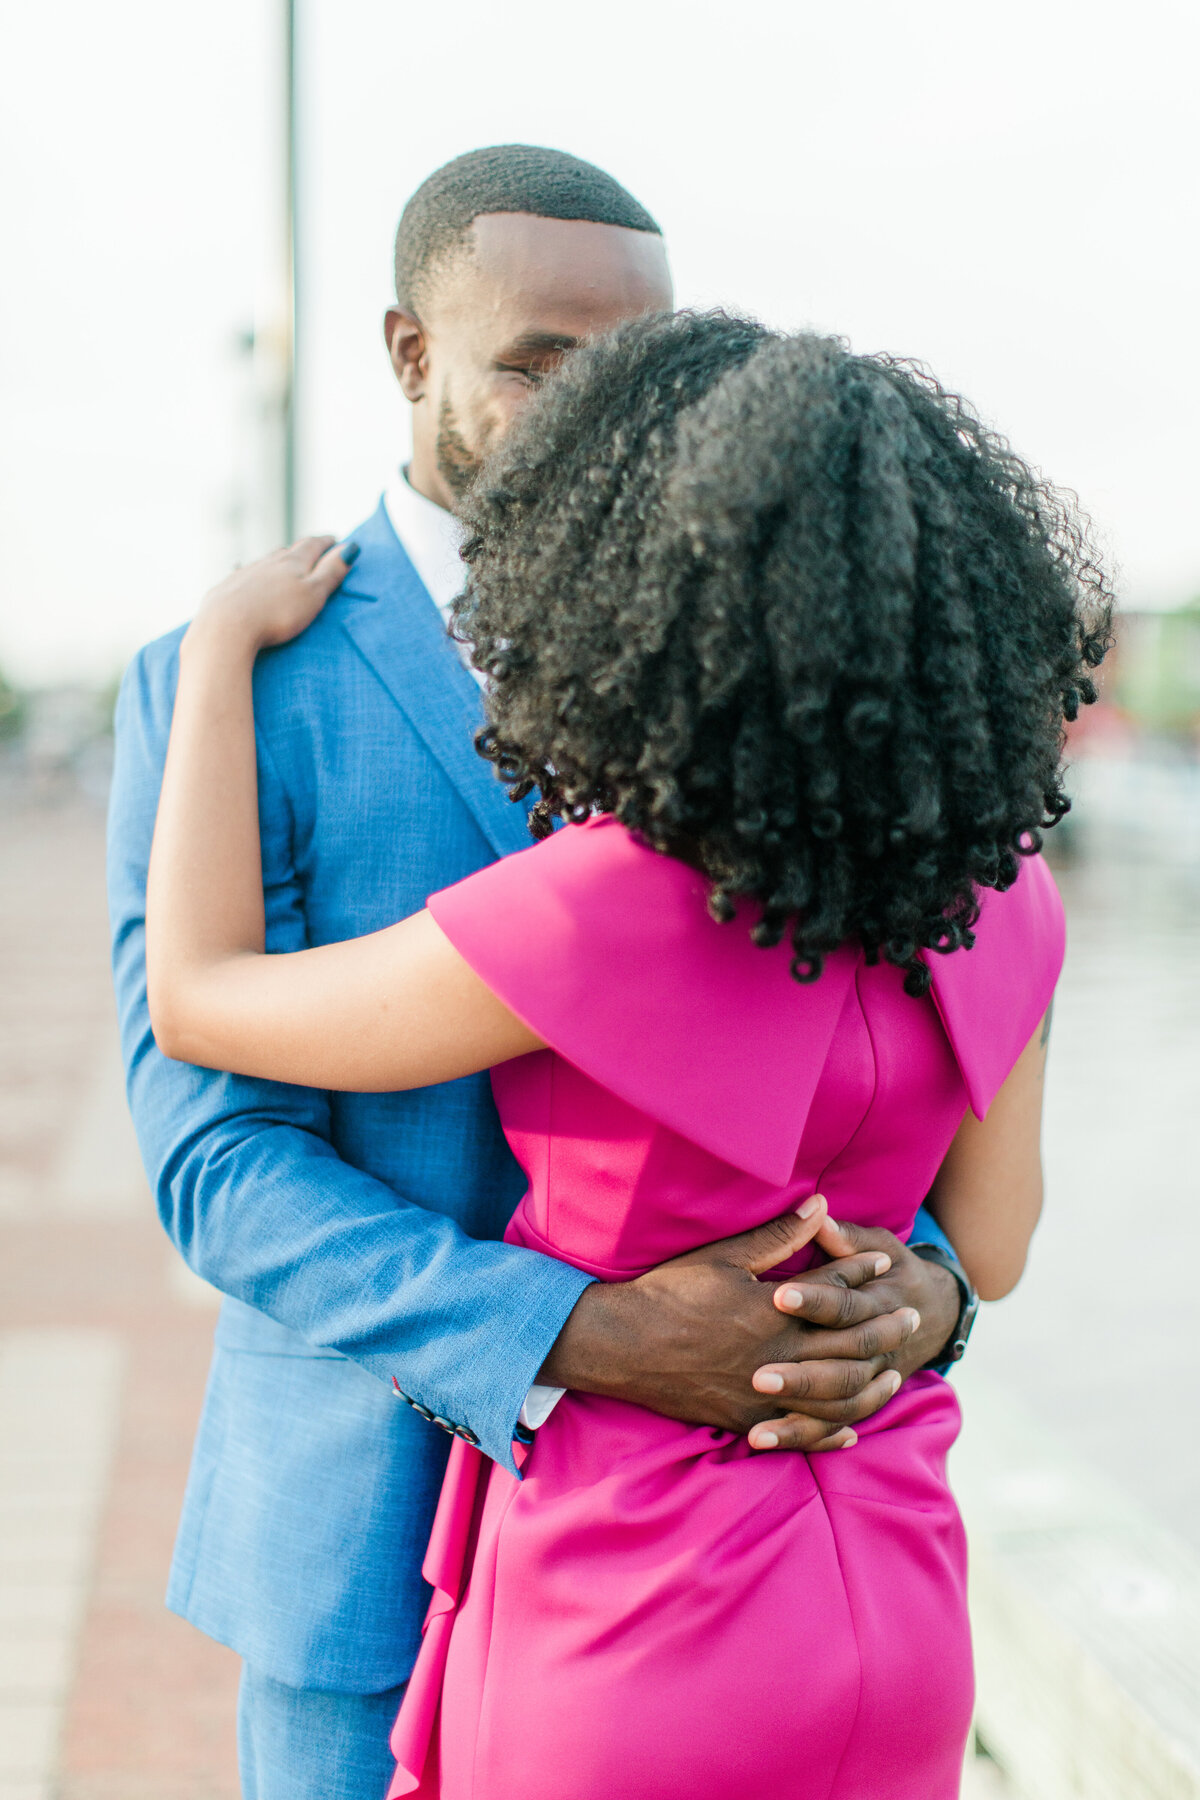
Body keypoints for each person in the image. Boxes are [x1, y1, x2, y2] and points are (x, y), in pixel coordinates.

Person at [141, 311, 1111, 1798]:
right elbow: (991, 1244)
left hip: (637, 1621)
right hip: (897, 1599)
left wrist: (213, 658)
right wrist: (902, 1297)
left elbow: (202, 1005)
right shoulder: (1008, 899)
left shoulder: (612, 901)